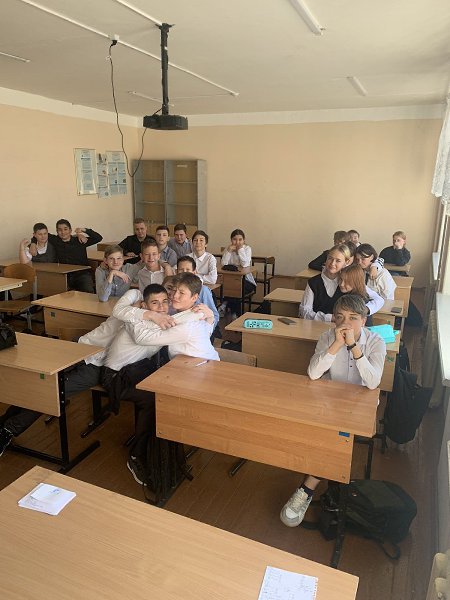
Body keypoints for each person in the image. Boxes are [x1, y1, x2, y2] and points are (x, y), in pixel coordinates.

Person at [280, 294, 386, 527]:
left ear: (363, 321)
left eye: (353, 318)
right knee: (326, 435)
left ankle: (307, 487)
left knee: (335, 438)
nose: (345, 323)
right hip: (330, 401)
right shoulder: (327, 337)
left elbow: (373, 383)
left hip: (359, 406)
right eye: (340, 317)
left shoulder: (376, 342)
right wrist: (337, 345)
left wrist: (354, 347)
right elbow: (313, 373)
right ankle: (324, 481)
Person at [0, 317, 121, 456]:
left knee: (51, 393)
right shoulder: (127, 309)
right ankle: (5, 421)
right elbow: (121, 310)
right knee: (39, 384)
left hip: (98, 367)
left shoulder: (140, 327)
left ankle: (8, 430)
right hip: (80, 347)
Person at [44, 219, 102, 293]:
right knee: (57, 292)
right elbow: (38, 235)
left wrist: (84, 230)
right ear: (57, 231)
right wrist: (33, 243)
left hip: (82, 274)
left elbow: (98, 238)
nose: (63, 232)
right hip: (65, 275)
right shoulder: (55, 240)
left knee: (88, 292)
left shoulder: (79, 240)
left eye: (65, 229)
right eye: (60, 230)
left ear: (70, 230)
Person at [299, 244, 351, 321]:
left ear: (346, 262)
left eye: (338, 261)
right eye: (330, 258)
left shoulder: (349, 282)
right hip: (315, 325)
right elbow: (304, 311)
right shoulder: (313, 282)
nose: (332, 263)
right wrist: (329, 318)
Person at [219, 228, 256, 319]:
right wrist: (228, 251)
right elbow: (223, 263)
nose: (237, 242)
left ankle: (226, 305)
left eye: (240, 240)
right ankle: (234, 313)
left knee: (236, 288)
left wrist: (240, 250)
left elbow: (245, 264)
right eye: (234, 239)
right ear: (231, 240)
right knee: (229, 287)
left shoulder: (247, 249)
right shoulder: (229, 249)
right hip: (230, 280)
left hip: (247, 280)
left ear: (244, 240)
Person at [177, 255, 219, 327]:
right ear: (176, 271)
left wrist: (208, 329)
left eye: (188, 270)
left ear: (194, 272)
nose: (184, 273)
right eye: (181, 270)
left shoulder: (203, 290)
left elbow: (215, 316)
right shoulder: (174, 289)